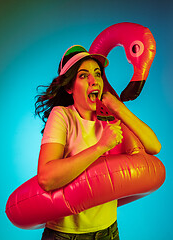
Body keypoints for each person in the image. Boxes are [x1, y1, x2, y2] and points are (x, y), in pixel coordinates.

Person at [35, 45, 161, 240]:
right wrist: (101, 146)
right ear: (69, 87)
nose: (94, 81)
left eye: (98, 74)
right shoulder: (62, 116)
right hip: (65, 235)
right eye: (84, 76)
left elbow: (154, 146)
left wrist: (119, 108)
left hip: (108, 232)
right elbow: (46, 177)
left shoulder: (111, 118)